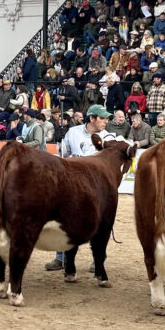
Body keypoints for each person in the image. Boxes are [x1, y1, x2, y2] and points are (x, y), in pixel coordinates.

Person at [45, 104, 112, 271]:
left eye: (107, 118)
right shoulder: (73, 132)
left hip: (97, 187)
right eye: (102, 118)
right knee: (64, 220)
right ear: (92, 118)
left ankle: (98, 260)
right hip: (73, 185)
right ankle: (61, 258)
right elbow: (64, 154)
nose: (105, 121)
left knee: (99, 223)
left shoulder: (108, 137)